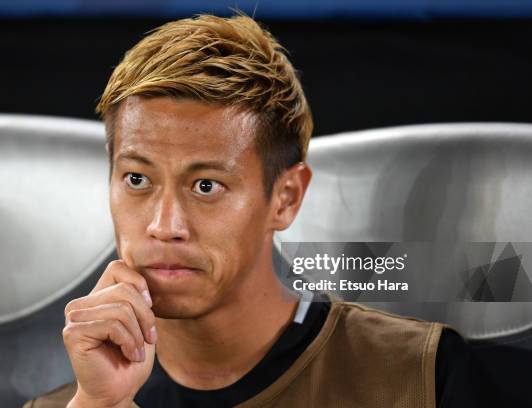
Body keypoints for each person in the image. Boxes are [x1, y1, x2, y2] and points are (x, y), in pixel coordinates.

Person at [23, 13, 480, 408]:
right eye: (137, 179)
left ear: (286, 198)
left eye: (206, 186)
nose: (164, 226)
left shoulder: (425, 378)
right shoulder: (70, 404)